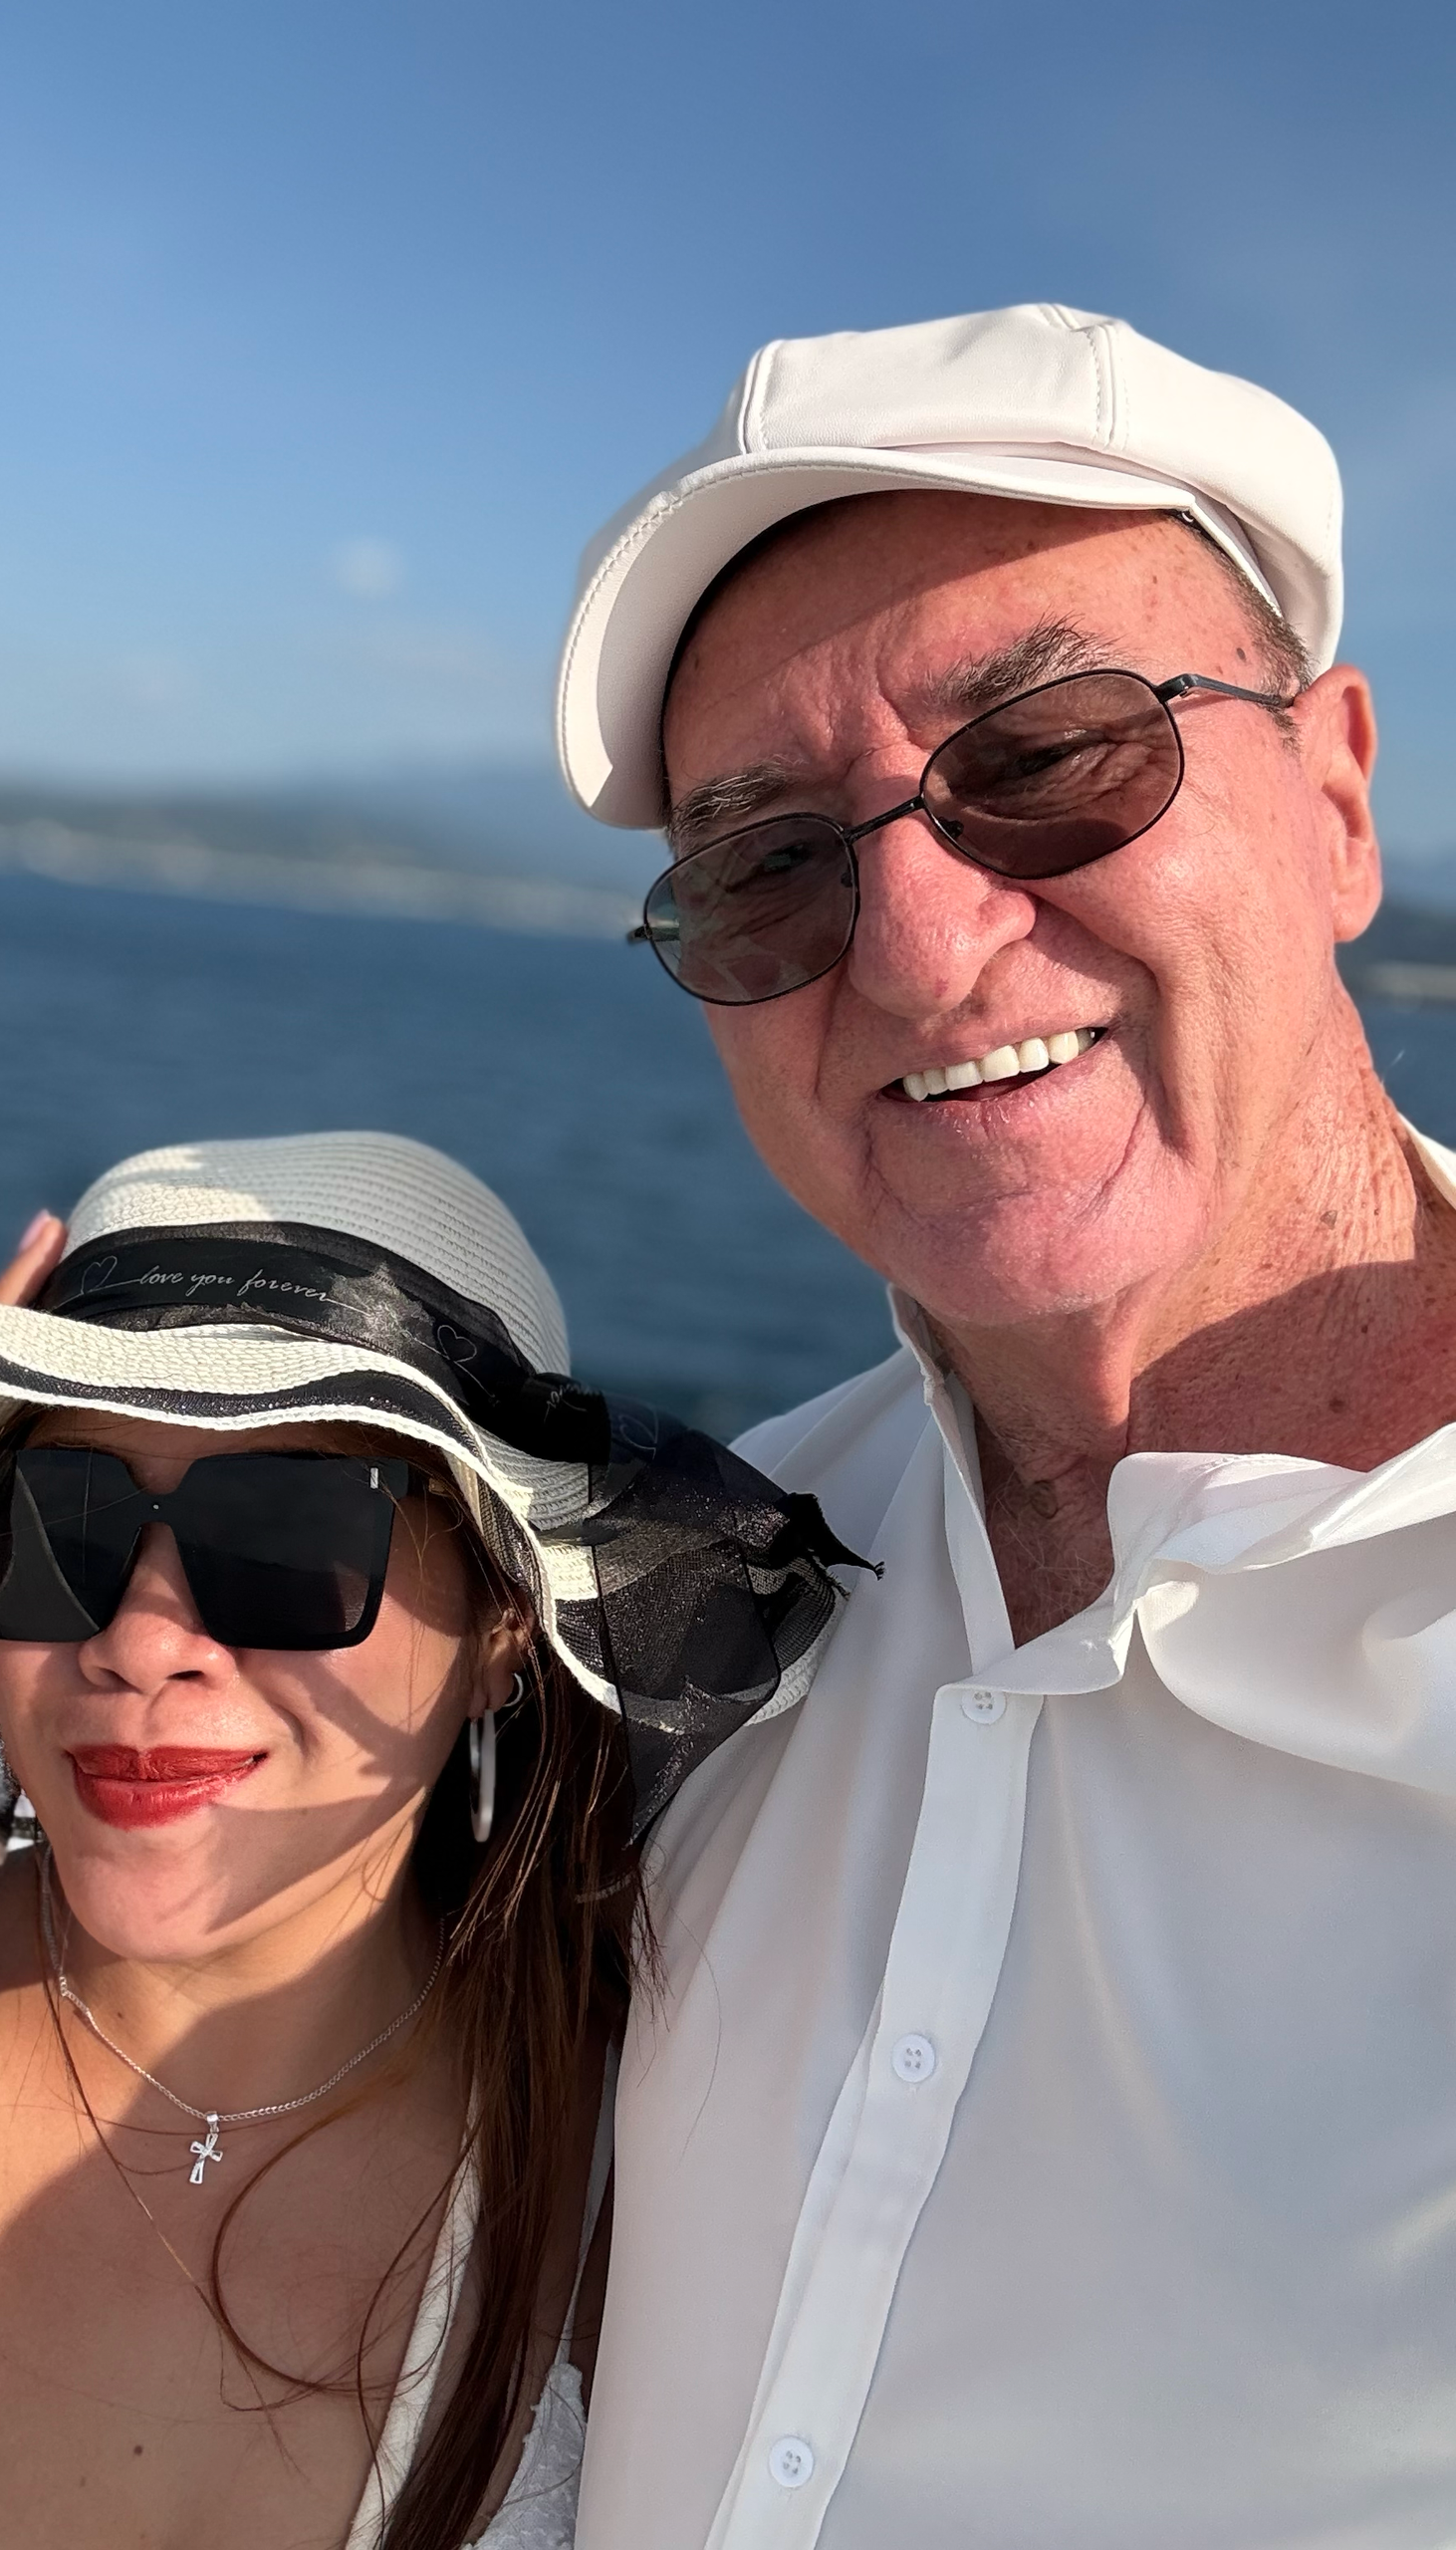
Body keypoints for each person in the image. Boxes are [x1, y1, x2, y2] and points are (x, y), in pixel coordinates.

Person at [555, 304, 1456, 2548]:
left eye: (1049, 754)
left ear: (1339, 800)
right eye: (770, 864)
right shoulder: (681, 1607)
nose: (921, 946)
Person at [0, 1131, 853, 2550]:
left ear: (501, 1625)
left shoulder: (635, 2162)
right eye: (63, 1523)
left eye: (284, 1537)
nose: (142, 1639)